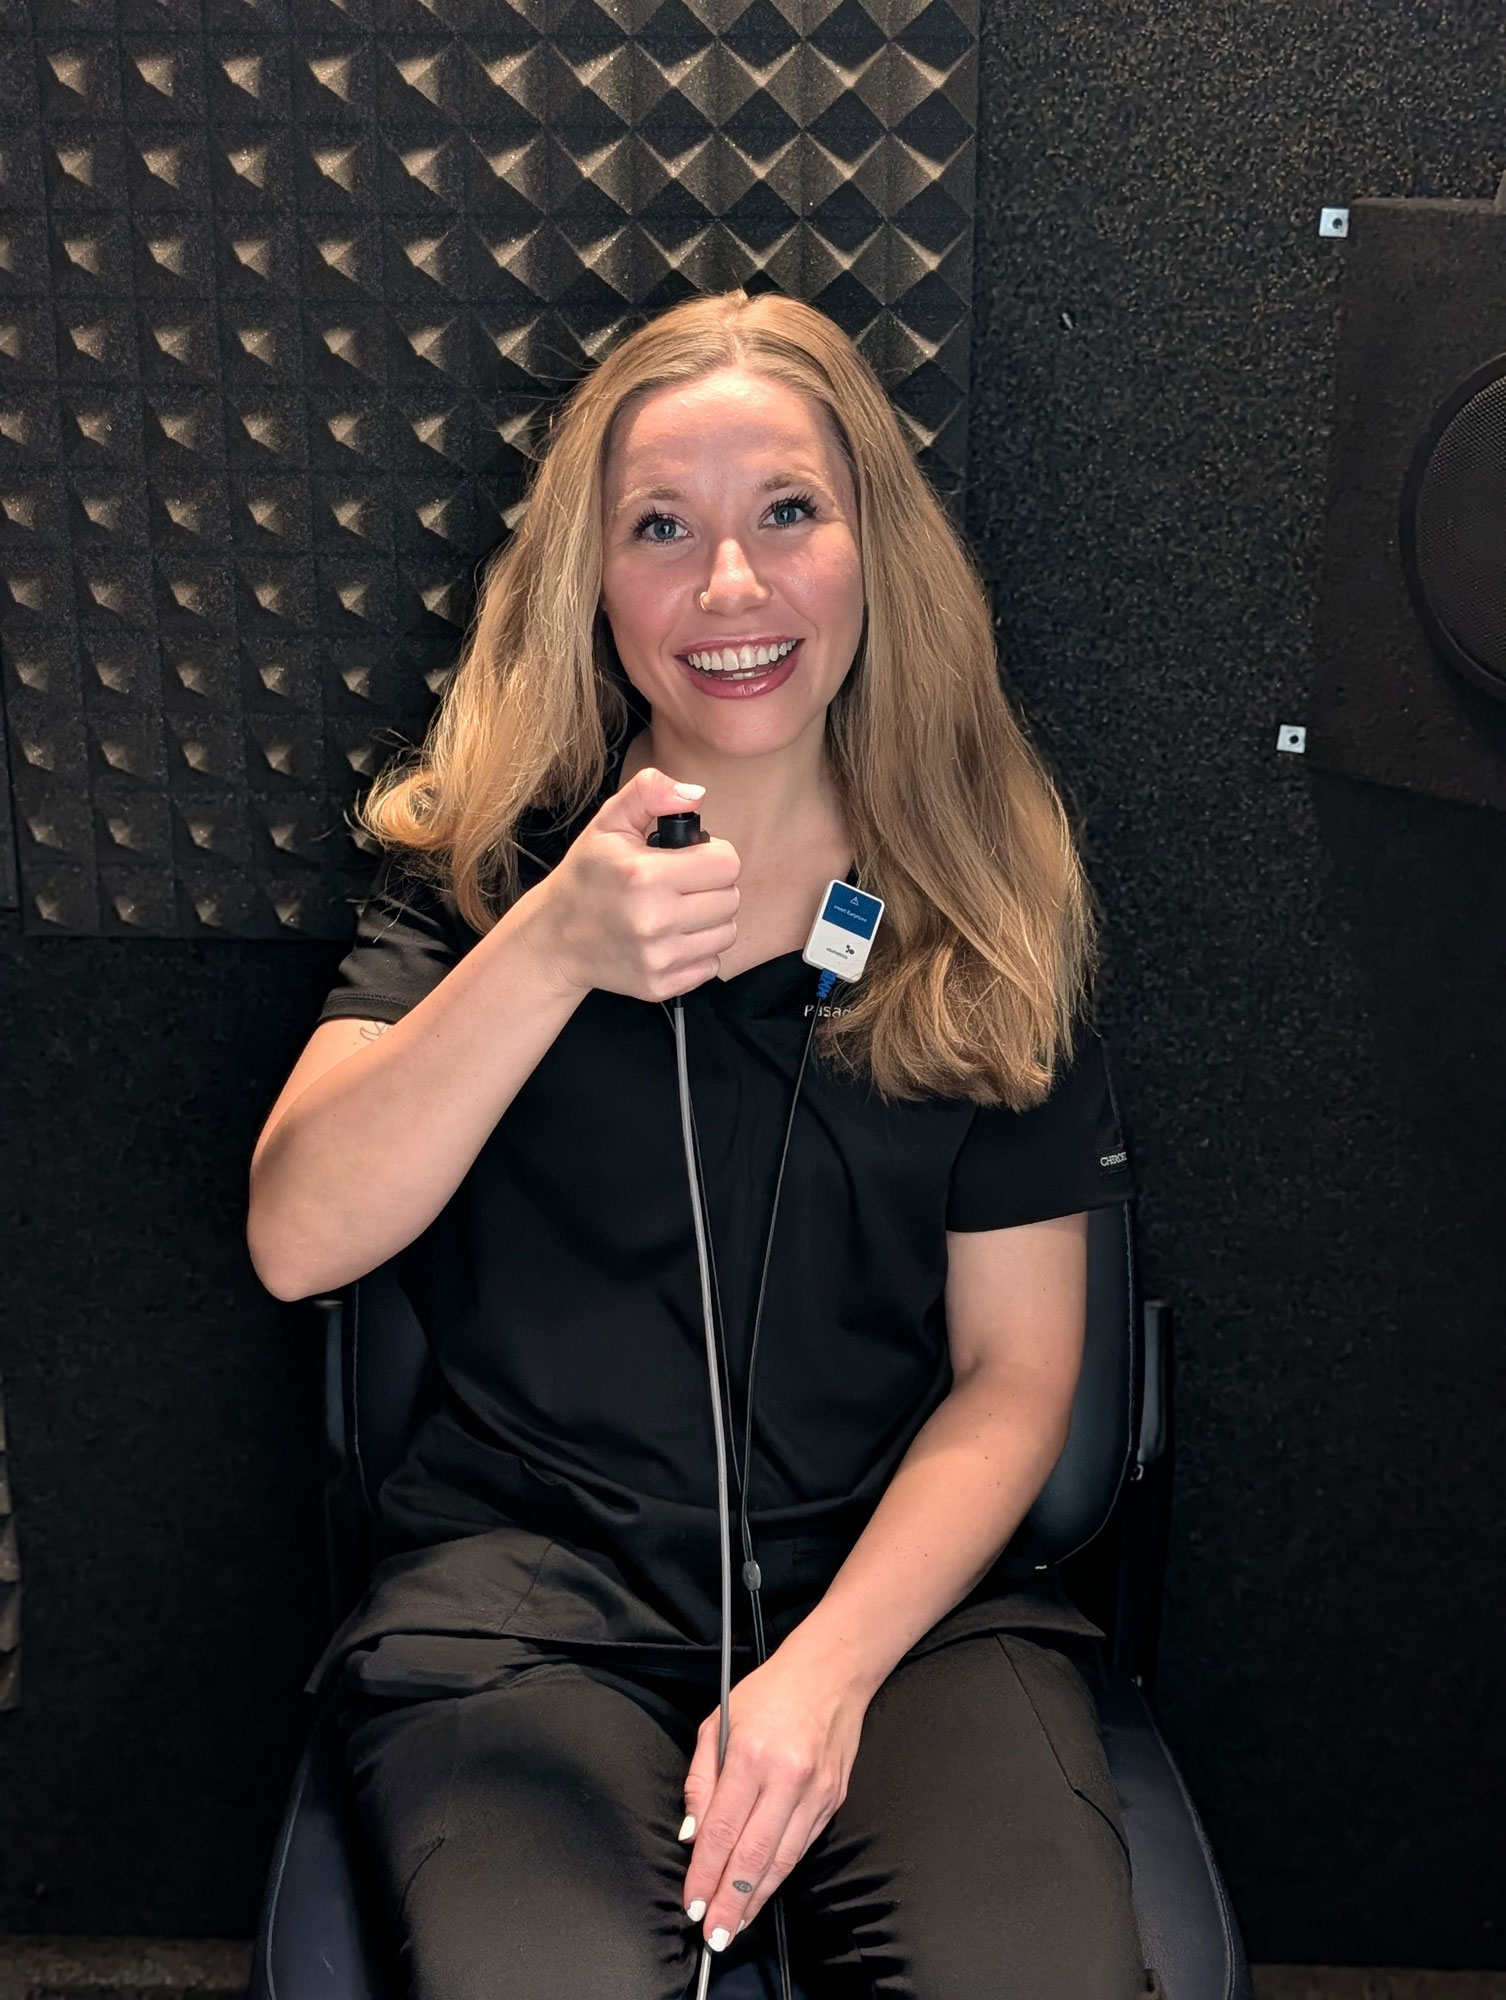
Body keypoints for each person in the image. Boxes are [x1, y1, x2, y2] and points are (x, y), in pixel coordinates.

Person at [247, 290, 1154, 2000]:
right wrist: (550, 953)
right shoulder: (483, 884)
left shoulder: (982, 910)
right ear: (592, 582)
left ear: (872, 548)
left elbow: (1019, 1377)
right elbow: (299, 1236)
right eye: (661, 529)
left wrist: (819, 1680)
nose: (728, 589)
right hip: (525, 1613)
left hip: (903, 1616)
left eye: (786, 514)